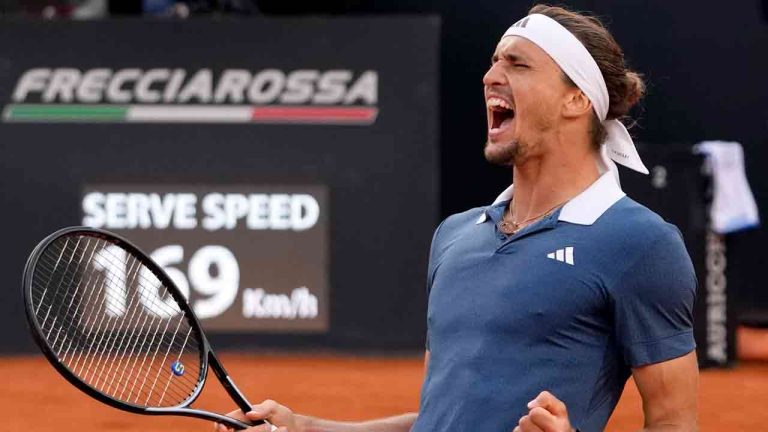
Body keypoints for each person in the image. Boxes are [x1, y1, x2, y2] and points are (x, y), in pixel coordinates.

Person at [216, 4, 699, 432]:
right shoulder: (455, 237)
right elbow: (441, 419)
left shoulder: (640, 244)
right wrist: (305, 428)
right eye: (493, 62)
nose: (491, 76)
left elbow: (674, 421)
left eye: (518, 64)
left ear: (576, 99)